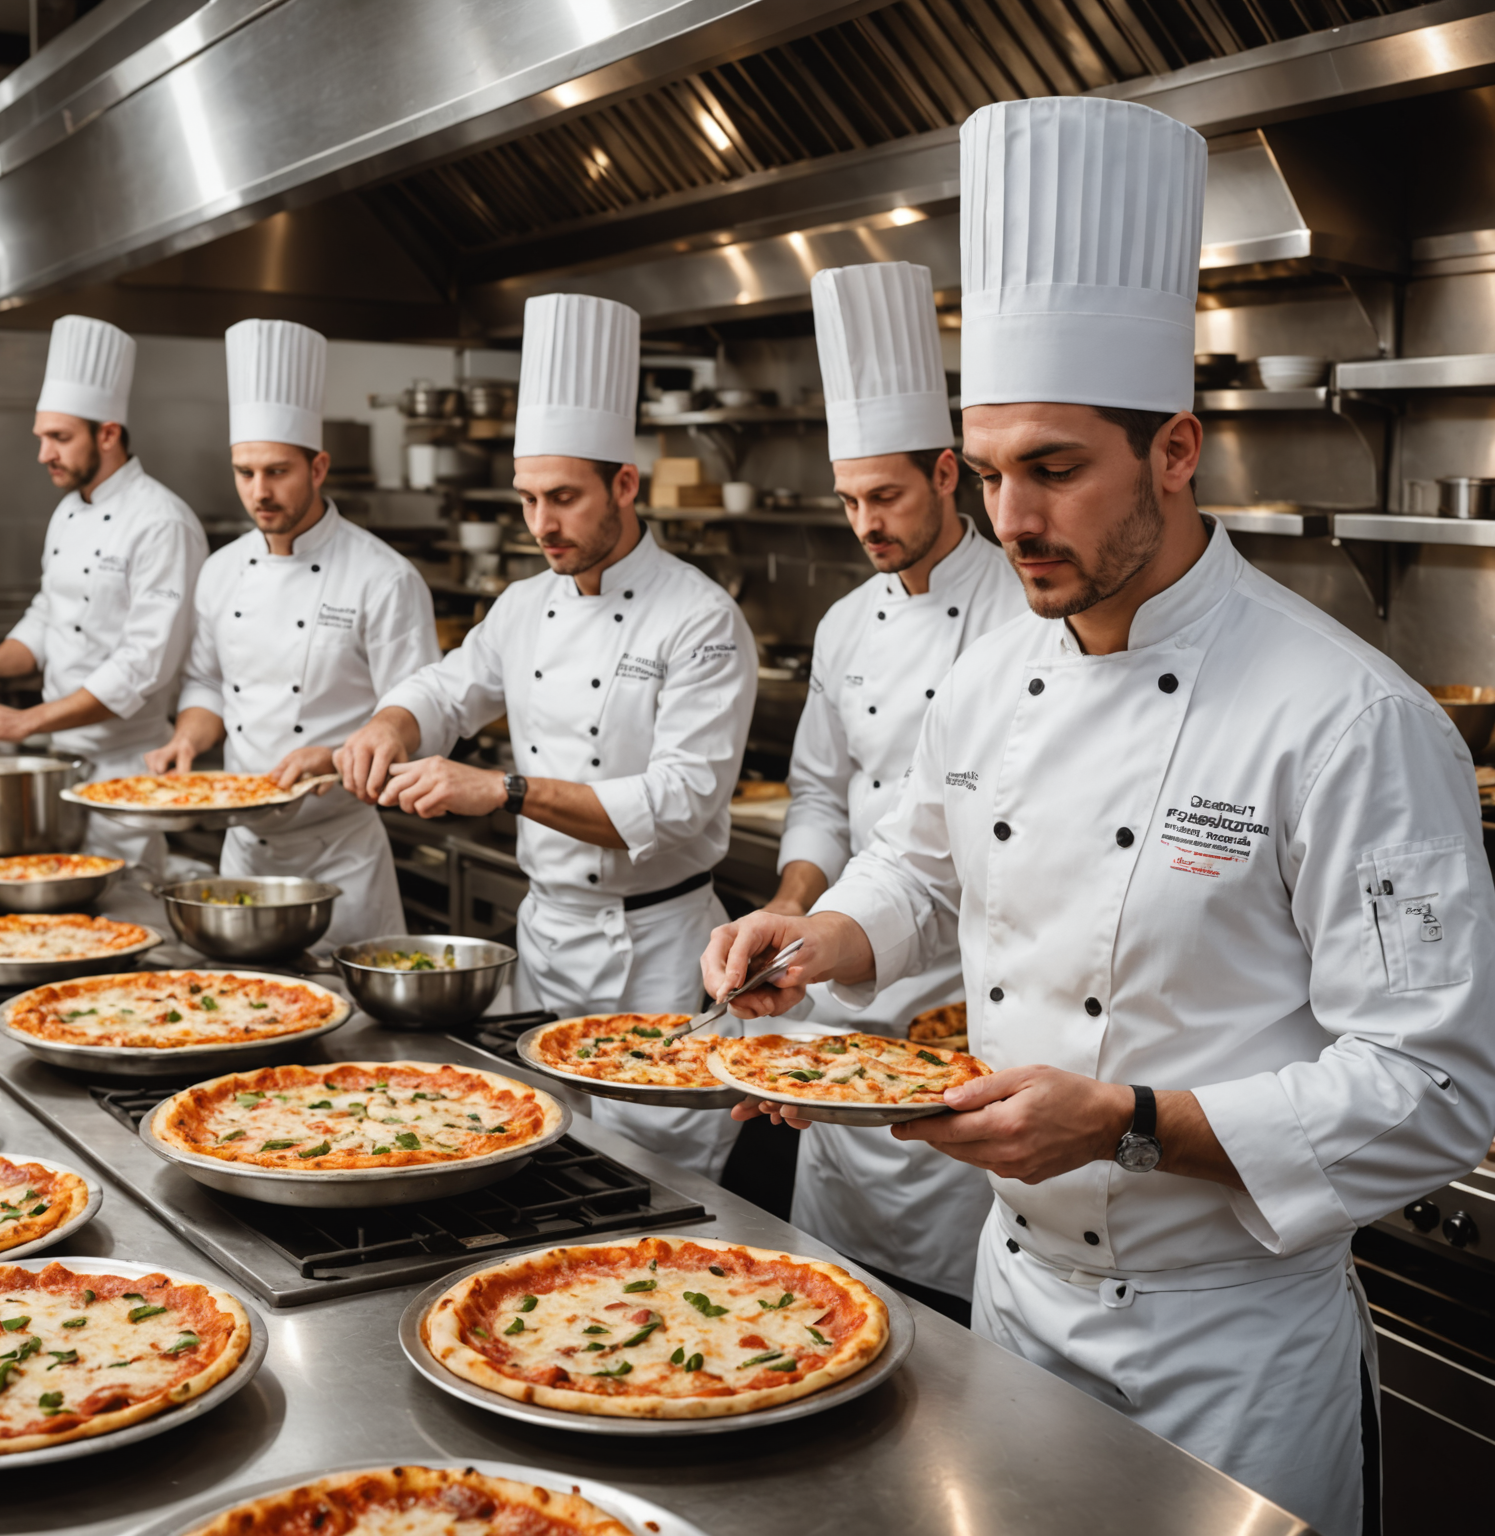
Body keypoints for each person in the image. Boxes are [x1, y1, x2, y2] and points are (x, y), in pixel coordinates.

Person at [702, 96, 1495, 1536]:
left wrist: (1130, 1124)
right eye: (992, 471)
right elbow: (922, 864)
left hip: (1229, 1351)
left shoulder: (1348, 716)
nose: (1011, 519)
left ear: (1178, 452)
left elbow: (1437, 1089)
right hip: (1013, 1304)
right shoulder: (995, 669)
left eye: (1055, 470)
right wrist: (815, 934)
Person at [337, 293, 756, 1181]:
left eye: (562, 499)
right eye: (527, 499)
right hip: (547, 946)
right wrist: (392, 719)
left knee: (665, 1187)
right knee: (545, 1164)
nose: (541, 525)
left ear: (625, 485)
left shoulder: (701, 618)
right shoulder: (524, 604)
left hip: (660, 958)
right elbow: (452, 687)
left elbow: (682, 803)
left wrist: (505, 790)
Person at [759, 260, 1025, 1321]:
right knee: (831, 1301)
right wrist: (791, 904)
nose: (866, 524)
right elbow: (825, 792)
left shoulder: (1022, 613)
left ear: (949, 473)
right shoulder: (845, 623)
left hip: (960, 1000)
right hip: (841, 973)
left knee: (952, 1315)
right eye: (850, 502)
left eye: (887, 496)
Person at [147, 319, 438, 947]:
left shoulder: (383, 577)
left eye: (276, 471)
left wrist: (335, 757)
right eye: (244, 472)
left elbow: (422, 717)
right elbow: (205, 681)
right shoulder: (222, 570)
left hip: (341, 855)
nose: (259, 492)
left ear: (319, 466)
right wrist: (186, 740)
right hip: (244, 851)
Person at [0, 316, 207, 876]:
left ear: (109, 434)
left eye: (60, 438)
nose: (45, 453)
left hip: (128, 768)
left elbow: (142, 666)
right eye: (42, 438)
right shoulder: (69, 510)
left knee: (121, 910)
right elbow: (49, 615)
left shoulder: (162, 523)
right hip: (59, 761)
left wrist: (26, 722)